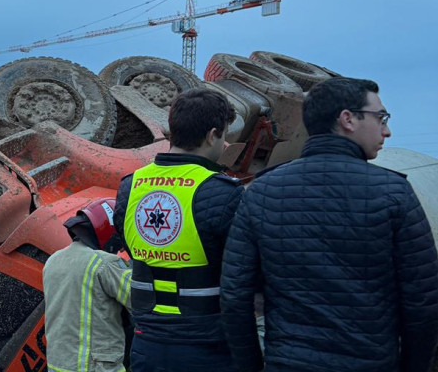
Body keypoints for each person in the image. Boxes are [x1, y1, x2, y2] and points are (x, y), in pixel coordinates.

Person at [221, 77, 438, 372]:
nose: (386, 130)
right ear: (347, 119)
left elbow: (235, 296)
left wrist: (252, 365)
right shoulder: (393, 192)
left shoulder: (260, 192)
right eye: (381, 117)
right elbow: (422, 303)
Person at [113, 88, 242, 372]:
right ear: (212, 135)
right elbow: (242, 272)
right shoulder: (223, 192)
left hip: (147, 344)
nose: (225, 143)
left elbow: (126, 243)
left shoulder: (130, 186)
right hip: (207, 346)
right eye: (224, 135)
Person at [43, 198, 132, 372]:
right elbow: (142, 302)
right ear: (111, 233)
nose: (120, 249)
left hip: (58, 365)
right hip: (94, 367)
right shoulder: (103, 263)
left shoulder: (53, 260)